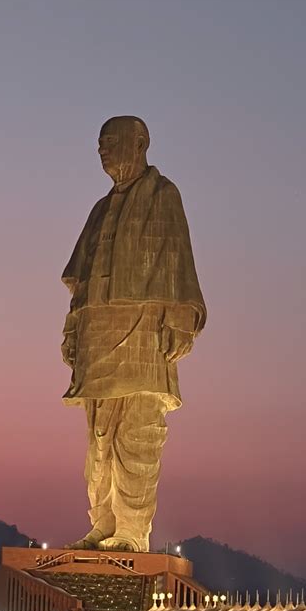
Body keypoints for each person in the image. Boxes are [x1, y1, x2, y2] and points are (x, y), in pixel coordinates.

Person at [61, 115, 206, 552]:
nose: (102, 149)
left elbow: (179, 258)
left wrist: (181, 316)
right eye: (99, 142)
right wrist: (72, 329)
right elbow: (81, 279)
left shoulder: (163, 195)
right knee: (99, 437)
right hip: (97, 331)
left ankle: (131, 530)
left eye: (111, 141)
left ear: (140, 142)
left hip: (144, 330)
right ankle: (103, 523)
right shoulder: (101, 209)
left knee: (138, 432)